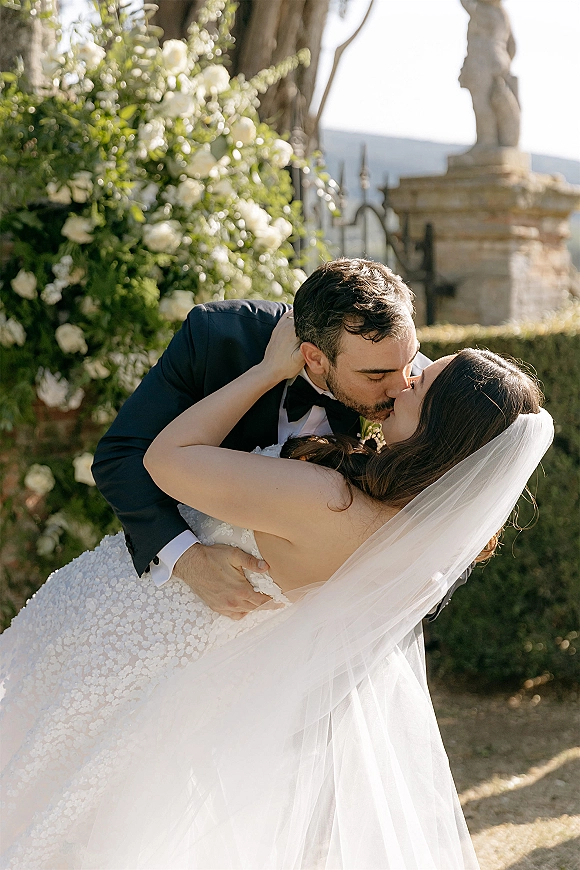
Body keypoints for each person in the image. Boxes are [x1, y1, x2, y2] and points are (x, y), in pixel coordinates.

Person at [0, 309, 553, 869]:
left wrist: (267, 371)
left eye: (421, 381)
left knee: (39, 798)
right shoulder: (420, 544)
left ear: (440, 431)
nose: (406, 375)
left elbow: (164, 460)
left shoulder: (329, 499)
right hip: (166, 669)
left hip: (118, 648)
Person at [92, 257, 467, 621]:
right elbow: (121, 455)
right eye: (375, 376)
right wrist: (188, 560)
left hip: (304, 632)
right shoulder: (216, 336)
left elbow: (465, 497)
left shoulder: (412, 389)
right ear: (315, 358)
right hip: (174, 602)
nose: (402, 387)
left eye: (409, 363)